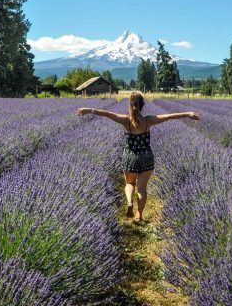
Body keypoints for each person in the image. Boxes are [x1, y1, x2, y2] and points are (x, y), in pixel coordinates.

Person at [76, 92, 200, 222]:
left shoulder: (125, 120)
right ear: (143, 106)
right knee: (142, 188)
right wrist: (187, 114)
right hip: (146, 157)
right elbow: (168, 116)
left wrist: (89, 110)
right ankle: (139, 215)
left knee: (129, 183)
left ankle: (129, 202)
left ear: (130, 105)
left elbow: (107, 114)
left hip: (130, 157)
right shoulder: (148, 120)